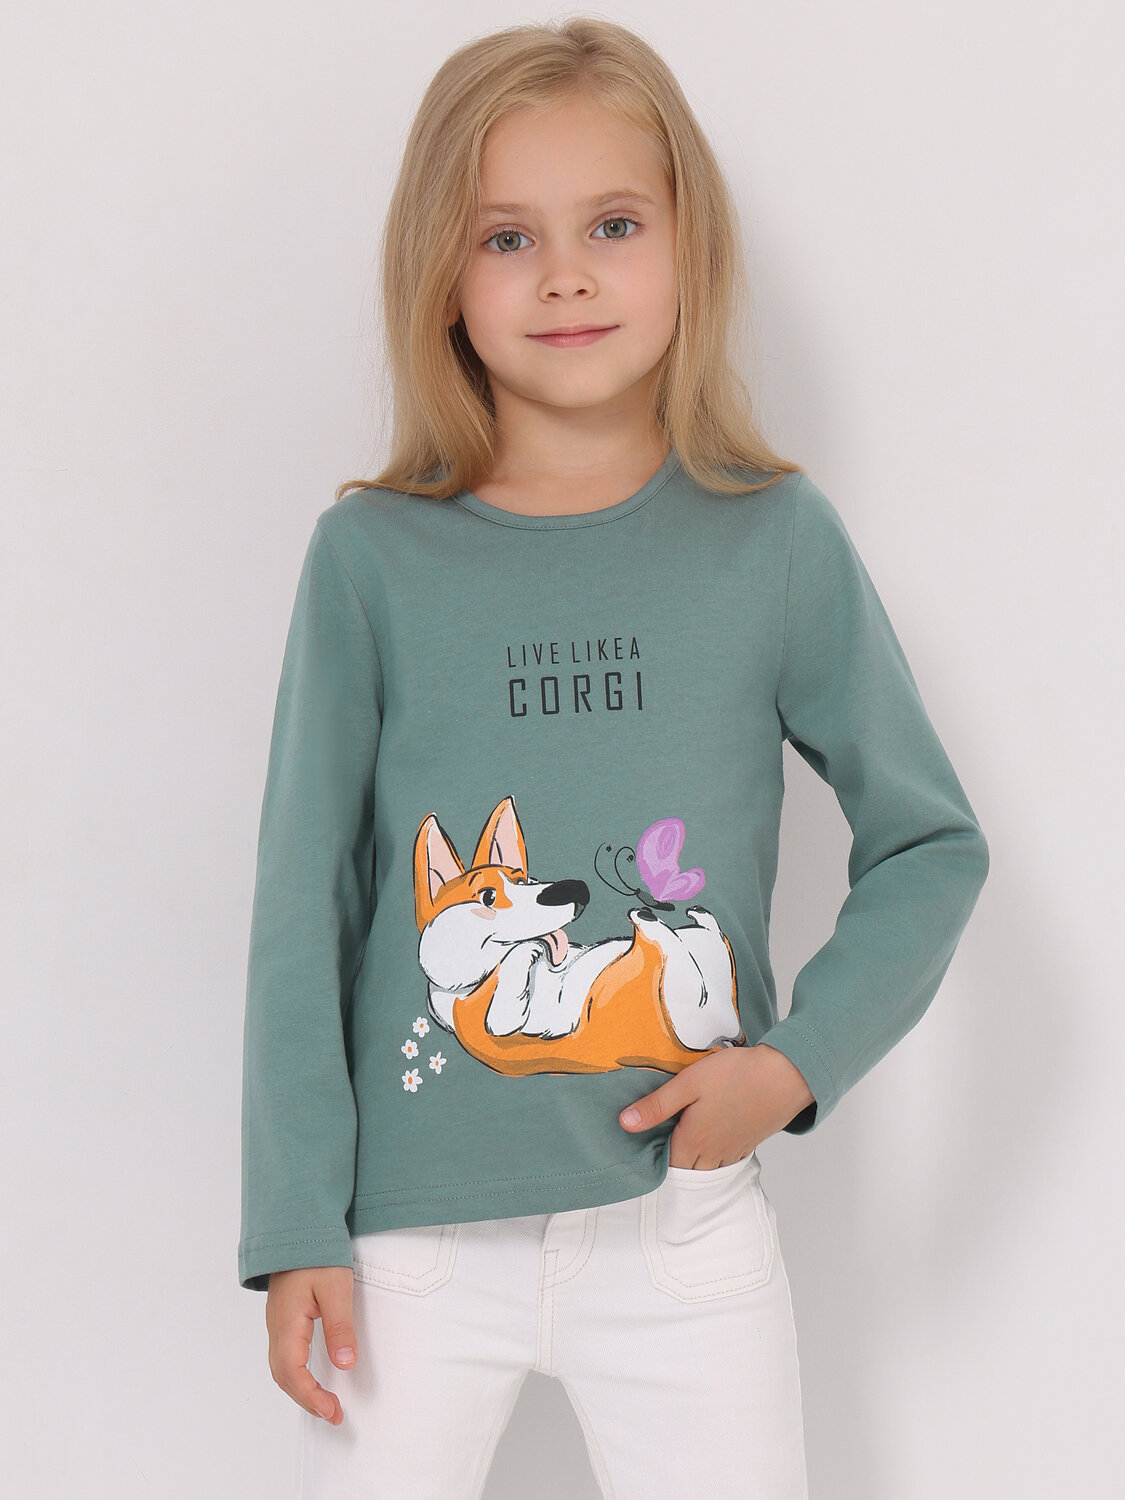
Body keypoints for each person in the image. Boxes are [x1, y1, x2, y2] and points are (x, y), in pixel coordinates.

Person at [238, 17, 989, 1499]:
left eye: (614, 225)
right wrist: (294, 1223)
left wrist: (794, 1065)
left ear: (688, 248)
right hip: (408, 1251)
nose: (565, 275)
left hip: (681, 1232)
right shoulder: (370, 560)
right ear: (442, 277)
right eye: (506, 236)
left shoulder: (774, 540)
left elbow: (930, 844)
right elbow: (301, 905)